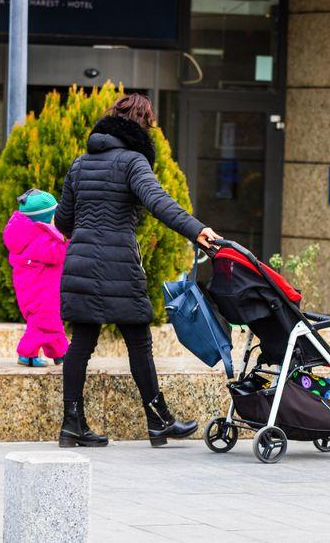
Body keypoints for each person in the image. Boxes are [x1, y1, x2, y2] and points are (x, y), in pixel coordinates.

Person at [54, 93, 221, 448]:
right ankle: (158, 421)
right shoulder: (133, 161)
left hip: (80, 262)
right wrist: (197, 230)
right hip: (118, 264)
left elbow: (62, 220)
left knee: (81, 343)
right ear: (143, 124)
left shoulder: (80, 164)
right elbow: (158, 202)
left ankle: (72, 424)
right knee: (139, 343)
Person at [2, 189, 69, 367]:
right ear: (45, 218)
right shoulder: (39, 239)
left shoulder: (28, 235)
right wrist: (71, 242)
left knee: (52, 324)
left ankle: (61, 353)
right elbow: (58, 254)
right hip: (41, 294)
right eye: (54, 216)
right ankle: (27, 354)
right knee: (43, 325)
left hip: (38, 291)